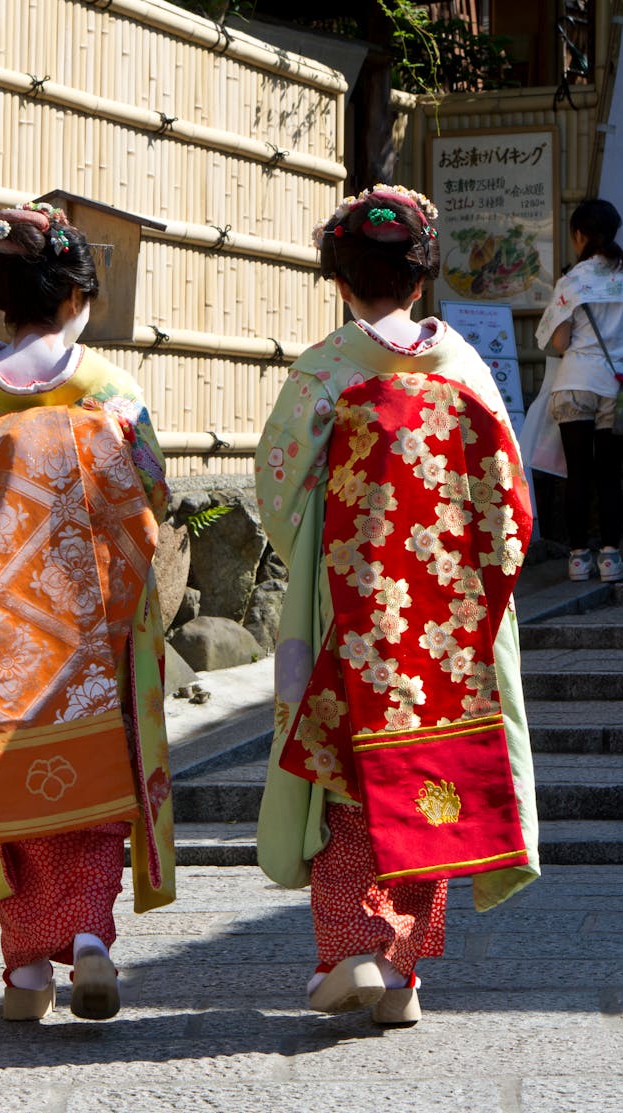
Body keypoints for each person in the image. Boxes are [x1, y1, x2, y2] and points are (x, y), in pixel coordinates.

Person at [255, 184, 539, 1028]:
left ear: (339, 279)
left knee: (348, 788)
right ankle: (403, 972)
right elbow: (512, 503)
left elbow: (279, 488)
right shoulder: (465, 370)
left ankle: (358, 949)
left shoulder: (329, 372)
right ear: (422, 278)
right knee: (433, 784)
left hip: (352, 614)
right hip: (449, 628)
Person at [0, 202, 175, 1022]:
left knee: (11, 795)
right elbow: (155, 492)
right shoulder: (110, 390)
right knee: (93, 788)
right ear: (75, 298)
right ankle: (90, 939)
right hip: (91, 633)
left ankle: (27, 970)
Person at [536, 198, 623, 582]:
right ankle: (610, 557)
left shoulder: (573, 280)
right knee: (610, 475)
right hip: (615, 388)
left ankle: (577, 558)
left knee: (577, 474)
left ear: (580, 235)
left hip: (576, 382)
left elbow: (559, 341)